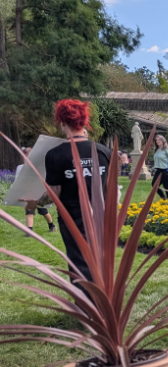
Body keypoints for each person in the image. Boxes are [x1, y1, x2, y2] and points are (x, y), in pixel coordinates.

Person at [43, 99, 112, 282]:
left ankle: (85, 306)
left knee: (78, 261)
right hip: (102, 215)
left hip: (72, 217)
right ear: (84, 122)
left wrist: (36, 201)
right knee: (101, 258)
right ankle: (103, 302)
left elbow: (53, 195)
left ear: (63, 123)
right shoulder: (103, 151)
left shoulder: (55, 155)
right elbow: (111, 186)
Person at [16, 148, 55, 235]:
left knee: (43, 211)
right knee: (29, 211)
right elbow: (17, 182)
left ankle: (51, 225)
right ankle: (29, 231)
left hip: (38, 193)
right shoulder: (20, 168)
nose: (26, 159)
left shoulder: (38, 169)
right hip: (28, 193)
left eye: (28, 157)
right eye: (25, 157)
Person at [151, 134, 168, 200]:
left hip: (166, 170)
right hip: (158, 170)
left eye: (159, 140)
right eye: (156, 140)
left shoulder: (167, 149)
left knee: (167, 187)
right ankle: (163, 198)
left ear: (163, 140)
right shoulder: (157, 149)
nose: (158, 141)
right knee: (154, 185)